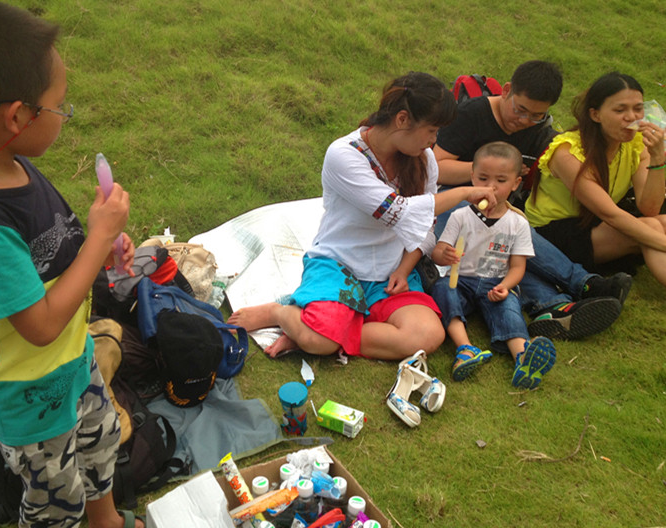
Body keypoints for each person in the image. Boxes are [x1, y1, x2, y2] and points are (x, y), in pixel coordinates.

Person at [0, 3, 143, 528]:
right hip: (29, 394)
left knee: (100, 444)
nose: (64, 115)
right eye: (59, 107)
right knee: (55, 500)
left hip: (74, 360)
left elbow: (56, 252)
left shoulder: (13, 167)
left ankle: (107, 522)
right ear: (17, 117)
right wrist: (99, 237)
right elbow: (41, 326)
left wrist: (101, 246)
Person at [228, 71, 497, 361]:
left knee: (428, 334)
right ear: (402, 119)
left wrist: (404, 269)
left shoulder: (425, 160)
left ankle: (319, 331)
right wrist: (462, 193)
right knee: (321, 339)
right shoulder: (345, 155)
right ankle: (281, 314)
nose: (434, 140)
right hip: (339, 264)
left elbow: (425, 229)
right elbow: (396, 211)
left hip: (390, 272)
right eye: (431, 130)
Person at [433, 60, 630, 342]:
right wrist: (492, 175)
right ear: (507, 91)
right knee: (494, 228)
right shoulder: (472, 115)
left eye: (537, 115)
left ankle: (555, 307)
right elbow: (437, 167)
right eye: (520, 110)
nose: (525, 121)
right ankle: (584, 284)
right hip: (453, 203)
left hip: (499, 211)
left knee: (506, 242)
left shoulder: (540, 130)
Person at [431, 142, 555, 388]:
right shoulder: (460, 216)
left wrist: (505, 286)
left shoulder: (517, 223)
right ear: (472, 178)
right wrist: (444, 254)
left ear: (515, 183)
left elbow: (517, 267)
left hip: (495, 283)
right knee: (442, 289)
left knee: (509, 309)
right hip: (461, 280)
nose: (491, 187)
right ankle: (465, 349)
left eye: (500, 180)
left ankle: (523, 357)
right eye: (483, 178)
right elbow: (437, 252)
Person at [526, 72, 666, 287]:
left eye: (638, 108)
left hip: (595, 222)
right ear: (595, 114)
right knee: (651, 228)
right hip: (551, 233)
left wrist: (657, 158)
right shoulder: (567, 153)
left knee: (661, 222)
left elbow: (650, 208)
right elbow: (611, 215)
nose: (632, 117)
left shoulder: (635, 143)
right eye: (620, 110)